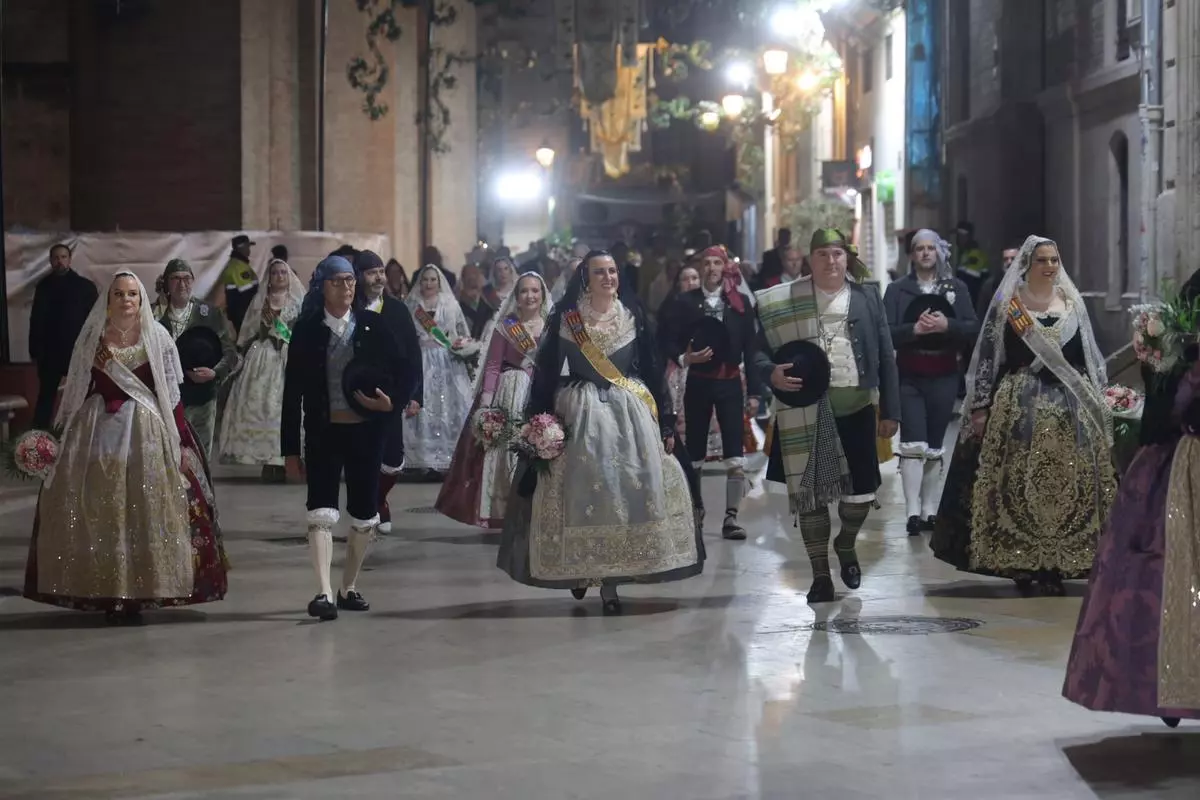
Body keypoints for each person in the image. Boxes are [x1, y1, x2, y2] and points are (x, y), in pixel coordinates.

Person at [497, 251, 704, 614]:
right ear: (585, 278)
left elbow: (653, 370)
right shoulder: (567, 318)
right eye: (599, 272)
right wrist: (539, 420)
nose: (608, 277)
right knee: (580, 491)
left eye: (612, 271)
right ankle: (580, 570)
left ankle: (609, 582)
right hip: (580, 414)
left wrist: (666, 418)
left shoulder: (632, 316)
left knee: (621, 492)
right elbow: (546, 372)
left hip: (630, 415)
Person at [24, 271, 227, 624]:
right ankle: (106, 592)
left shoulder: (157, 336)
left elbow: (172, 397)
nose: (126, 300)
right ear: (108, 300)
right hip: (97, 429)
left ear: (142, 299)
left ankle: (141, 591)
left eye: (133, 293)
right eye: (118, 294)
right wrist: (59, 436)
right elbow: (75, 393)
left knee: (143, 508)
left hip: (146, 432)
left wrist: (178, 442)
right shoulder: (93, 338)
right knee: (101, 510)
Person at [931, 236, 1116, 596]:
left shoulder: (1073, 304)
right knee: (1016, 484)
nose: (1049, 266)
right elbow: (989, 359)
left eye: (1054, 260)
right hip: (1020, 405)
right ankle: (1023, 562)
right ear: (1028, 264)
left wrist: (1103, 399)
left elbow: (1090, 359)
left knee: (1070, 485)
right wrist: (981, 406)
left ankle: (1060, 563)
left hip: (1070, 408)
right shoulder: (1009, 306)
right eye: (1042, 260)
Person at [1062, 269, 1200, 728]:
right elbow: (1160, 423)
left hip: (1175, 466)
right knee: (1164, 576)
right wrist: (1155, 368)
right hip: (1175, 475)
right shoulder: (1178, 359)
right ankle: (1169, 683)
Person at [753, 228, 900, 604]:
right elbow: (755, 352)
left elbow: (886, 355)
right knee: (811, 498)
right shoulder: (784, 300)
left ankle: (846, 544)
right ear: (810, 259)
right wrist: (769, 372)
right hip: (805, 410)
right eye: (822, 255)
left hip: (858, 409)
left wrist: (892, 411)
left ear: (846, 258)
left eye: (837, 254)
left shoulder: (868, 296)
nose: (831, 261)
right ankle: (820, 575)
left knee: (862, 494)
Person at [281, 256, 412, 621]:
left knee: (365, 513)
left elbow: (406, 370)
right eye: (338, 281)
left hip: (367, 433)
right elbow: (292, 394)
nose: (347, 287)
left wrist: (393, 402)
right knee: (321, 512)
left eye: (350, 281)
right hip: (323, 432)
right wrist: (290, 449)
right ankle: (323, 592)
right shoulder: (306, 331)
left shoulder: (373, 325)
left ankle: (348, 587)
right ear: (322, 285)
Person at [662, 245, 763, 540]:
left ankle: (731, 517)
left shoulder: (740, 303)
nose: (711, 268)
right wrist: (685, 358)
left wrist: (755, 392)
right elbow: (668, 339)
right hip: (699, 382)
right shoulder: (684, 302)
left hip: (730, 382)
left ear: (724, 267)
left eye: (716, 263)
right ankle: (697, 510)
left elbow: (751, 348)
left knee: (735, 451)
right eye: (706, 263)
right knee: (695, 450)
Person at [436, 272, 551, 528]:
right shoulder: (506, 326)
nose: (530, 296)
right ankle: (507, 511)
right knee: (508, 453)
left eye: (535, 290)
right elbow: (492, 366)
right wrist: (486, 407)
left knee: (539, 450)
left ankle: (535, 511)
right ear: (516, 297)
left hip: (540, 394)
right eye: (524, 291)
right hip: (509, 393)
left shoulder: (551, 327)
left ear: (542, 295)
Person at [883, 229, 979, 534]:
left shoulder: (957, 288)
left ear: (939, 252)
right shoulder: (897, 291)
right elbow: (886, 333)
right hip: (909, 374)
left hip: (944, 374)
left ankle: (928, 509)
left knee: (935, 444)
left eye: (930, 248)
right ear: (911, 255)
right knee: (913, 442)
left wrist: (946, 324)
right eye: (919, 249)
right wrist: (916, 331)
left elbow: (972, 327)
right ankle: (912, 511)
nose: (925, 253)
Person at [354, 250, 424, 533]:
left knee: (393, 460)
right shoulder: (350, 308)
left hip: (390, 396)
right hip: (356, 395)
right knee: (362, 457)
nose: (379, 277)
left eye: (381, 271)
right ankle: (368, 508)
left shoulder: (396, 309)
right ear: (359, 277)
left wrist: (416, 395)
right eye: (372, 272)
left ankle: (379, 498)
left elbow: (413, 353)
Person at [217, 258, 306, 480]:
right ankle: (268, 459)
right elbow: (247, 331)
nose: (279, 277)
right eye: (274, 273)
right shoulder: (259, 302)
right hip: (262, 357)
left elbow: (303, 331)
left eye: (283, 273)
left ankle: (286, 457)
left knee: (286, 406)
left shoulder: (297, 301)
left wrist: (286, 336)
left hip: (287, 356)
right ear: (268, 277)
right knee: (260, 403)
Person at [157, 259, 239, 459]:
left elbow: (230, 354)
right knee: (168, 456)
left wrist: (215, 373)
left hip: (203, 398)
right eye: (175, 278)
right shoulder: (153, 315)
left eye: (186, 278)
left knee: (200, 458)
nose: (182, 284)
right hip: (164, 398)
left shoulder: (209, 313)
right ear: (166, 283)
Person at [404, 264, 476, 477]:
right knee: (423, 406)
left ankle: (450, 457)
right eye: (425, 279)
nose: (428, 283)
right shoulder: (412, 305)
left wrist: (461, 346)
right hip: (421, 360)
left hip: (446, 362)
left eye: (433, 279)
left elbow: (460, 331)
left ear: (439, 281)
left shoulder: (450, 304)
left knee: (449, 406)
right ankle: (422, 458)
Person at [28, 243, 98, 428]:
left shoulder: (85, 287)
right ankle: (38, 438)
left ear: (69, 259)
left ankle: (81, 433)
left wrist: (93, 349)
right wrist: (35, 351)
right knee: (46, 396)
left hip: (77, 351)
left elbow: (95, 323)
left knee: (81, 396)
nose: (59, 261)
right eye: (56, 258)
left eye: (63, 257)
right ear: (51, 261)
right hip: (49, 354)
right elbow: (35, 320)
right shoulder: (43, 287)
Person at [214, 234, 260, 333]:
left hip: (242, 311)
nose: (249, 250)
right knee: (245, 339)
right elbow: (247, 292)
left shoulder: (239, 264)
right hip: (242, 312)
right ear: (241, 248)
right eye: (247, 247)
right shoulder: (237, 267)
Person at [975, 244, 1019, 319]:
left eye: (1013, 259)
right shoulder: (990, 285)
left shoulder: (1030, 282)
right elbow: (982, 314)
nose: (1009, 262)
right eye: (1005, 259)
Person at [458, 263, 496, 340]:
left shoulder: (488, 296)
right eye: (469, 275)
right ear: (463, 279)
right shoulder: (457, 303)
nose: (473, 277)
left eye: (475, 274)